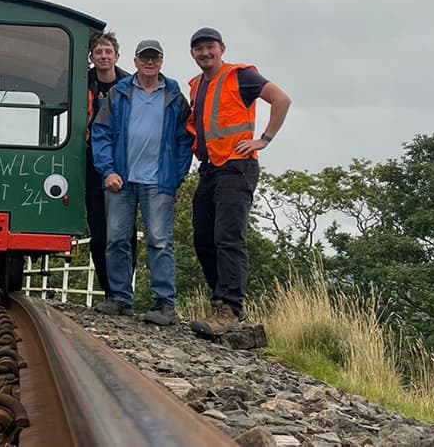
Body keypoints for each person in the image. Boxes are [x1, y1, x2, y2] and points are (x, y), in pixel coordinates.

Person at [185, 27, 291, 337]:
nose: (205, 53)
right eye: (198, 49)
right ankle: (221, 302)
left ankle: (230, 308)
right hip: (210, 168)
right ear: (192, 54)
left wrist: (264, 139)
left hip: (237, 167)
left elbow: (281, 100)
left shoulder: (241, 76)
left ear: (222, 49)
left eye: (210, 47)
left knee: (228, 237)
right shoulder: (196, 85)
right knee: (203, 238)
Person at [91, 40, 193, 322]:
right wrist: (107, 170)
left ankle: (165, 304)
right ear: (135, 61)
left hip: (159, 181)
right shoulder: (119, 93)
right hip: (120, 179)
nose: (150, 63)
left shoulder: (174, 95)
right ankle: (120, 298)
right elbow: (101, 133)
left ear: (161, 62)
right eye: (145, 58)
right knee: (116, 240)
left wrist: (177, 175)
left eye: (155, 58)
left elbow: (185, 139)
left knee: (160, 241)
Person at [85, 31, 133, 299]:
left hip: (123, 163)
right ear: (92, 57)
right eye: (98, 52)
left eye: (108, 52)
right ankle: (109, 290)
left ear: (116, 55)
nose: (103, 56)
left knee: (124, 232)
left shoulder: (129, 85)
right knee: (100, 232)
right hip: (91, 163)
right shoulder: (82, 82)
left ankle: (125, 290)